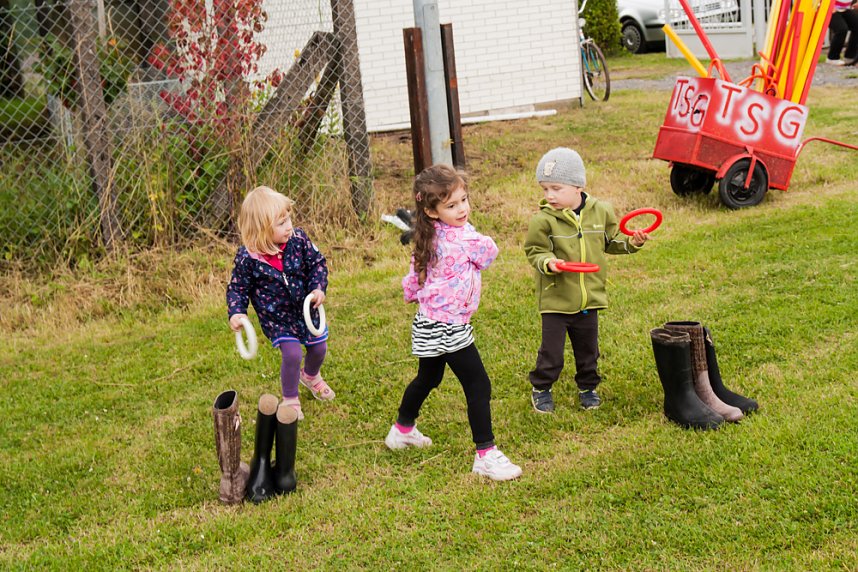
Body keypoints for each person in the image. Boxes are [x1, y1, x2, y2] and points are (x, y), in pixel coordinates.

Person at [384, 164, 522, 482]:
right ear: (432, 211)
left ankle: (402, 430)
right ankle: (486, 455)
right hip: (449, 326)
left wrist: (413, 293)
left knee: (428, 378)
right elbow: (489, 253)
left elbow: (414, 275)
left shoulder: (429, 235)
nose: (462, 209)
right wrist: (472, 234)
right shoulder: (463, 239)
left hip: (428, 322)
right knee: (478, 384)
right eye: (451, 205)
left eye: (463, 200)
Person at [524, 148, 649, 414]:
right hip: (557, 298)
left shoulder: (601, 212)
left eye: (556, 188)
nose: (549, 195)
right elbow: (535, 250)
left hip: (589, 297)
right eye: (545, 189)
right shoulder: (543, 220)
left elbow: (612, 242)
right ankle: (542, 387)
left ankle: (588, 388)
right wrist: (549, 262)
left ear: (578, 186)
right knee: (551, 353)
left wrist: (633, 242)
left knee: (588, 350)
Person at [227, 186, 334, 420]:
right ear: (261, 230)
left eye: (288, 219)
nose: (289, 226)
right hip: (277, 318)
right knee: (292, 354)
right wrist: (236, 312)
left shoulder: (299, 240)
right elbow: (238, 288)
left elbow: (317, 263)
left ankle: (310, 376)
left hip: (307, 310)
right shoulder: (248, 259)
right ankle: (290, 398)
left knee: (319, 348)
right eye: (281, 223)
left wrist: (318, 287)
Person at [826, 0, 858, 65]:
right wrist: (829, 6)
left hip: (845, 8)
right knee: (841, 29)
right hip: (828, 9)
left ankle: (850, 56)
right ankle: (832, 58)